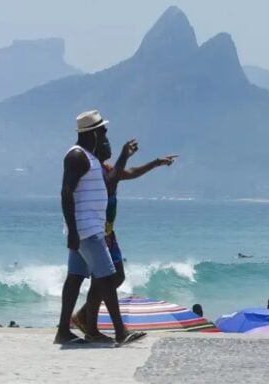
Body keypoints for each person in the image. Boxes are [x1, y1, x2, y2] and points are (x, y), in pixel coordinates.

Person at [53, 110, 144, 346]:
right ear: (91, 133)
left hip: (87, 228)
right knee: (107, 276)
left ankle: (63, 331)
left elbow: (111, 180)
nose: (104, 134)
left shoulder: (89, 158)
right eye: (101, 131)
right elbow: (66, 193)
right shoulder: (76, 157)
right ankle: (120, 332)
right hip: (87, 230)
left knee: (75, 278)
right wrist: (72, 231)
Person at [73, 135, 177, 337]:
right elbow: (110, 183)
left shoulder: (106, 167)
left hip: (109, 232)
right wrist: (124, 155)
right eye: (105, 143)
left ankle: (85, 317)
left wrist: (156, 163)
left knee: (115, 276)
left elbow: (129, 173)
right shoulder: (95, 171)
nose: (108, 145)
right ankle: (90, 324)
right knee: (104, 278)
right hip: (98, 231)